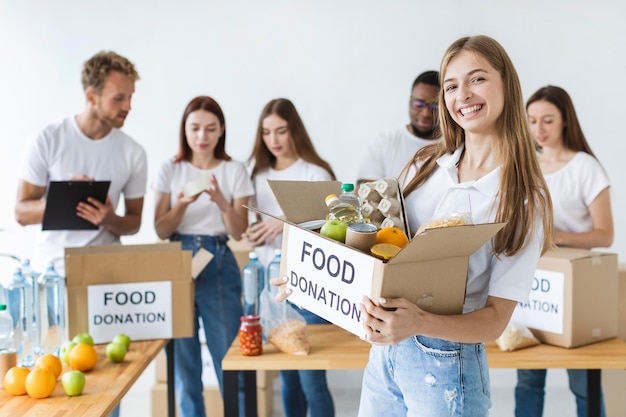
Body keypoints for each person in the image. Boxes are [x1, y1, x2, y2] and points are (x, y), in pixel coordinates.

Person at [273, 35, 554, 416]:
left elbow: (495, 321)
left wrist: (420, 321)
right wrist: (309, 275)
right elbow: (375, 251)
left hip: (447, 367)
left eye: (477, 79)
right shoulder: (425, 165)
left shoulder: (521, 197)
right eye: (451, 86)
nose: (463, 95)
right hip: (384, 356)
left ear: (506, 82)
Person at [15, 51, 145, 417]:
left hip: (104, 278)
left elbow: (133, 221)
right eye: (119, 98)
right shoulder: (49, 139)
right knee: (47, 382)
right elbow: (20, 211)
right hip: (50, 279)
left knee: (105, 381)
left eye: (131, 97)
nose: (128, 106)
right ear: (91, 96)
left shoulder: (132, 152)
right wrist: (61, 194)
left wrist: (108, 218)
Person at [152, 96, 254, 417]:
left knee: (228, 355)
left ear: (221, 130)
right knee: (184, 362)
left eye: (210, 128)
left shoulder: (234, 170)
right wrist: (182, 202)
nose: (202, 136)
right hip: (178, 258)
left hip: (218, 258)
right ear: (184, 129)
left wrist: (222, 202)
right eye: (195, 128)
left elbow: (239, 232)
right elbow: (161, 229)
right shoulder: (171, 168)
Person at [514, 85, 613, 417]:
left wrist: (557, 236)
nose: (538, 130)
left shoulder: (585, 167)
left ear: (565, 121)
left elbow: (605, 234)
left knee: (582, 381)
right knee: (528, 378)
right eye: (531, 121)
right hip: (534, 284)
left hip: (574, 287)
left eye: (548, 120)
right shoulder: (525, 166)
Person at [245, 98, 336, 417]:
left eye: (281, 131)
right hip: (272, 284)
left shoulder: (315, 171)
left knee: (312, 377)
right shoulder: (256, 174)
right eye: (267, 132)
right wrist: (253, 233)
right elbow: (252, 224)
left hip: (309, 285)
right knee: (287, 375)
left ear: (294, 130)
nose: (274, 140)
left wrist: (282, 220)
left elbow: (332, 228)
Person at [356, 70, 440, 186]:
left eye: (435, 106)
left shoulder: (457, 146)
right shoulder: (384, 142)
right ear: (410, 101)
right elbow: (364, 190)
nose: (426, 113)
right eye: (419, 105)